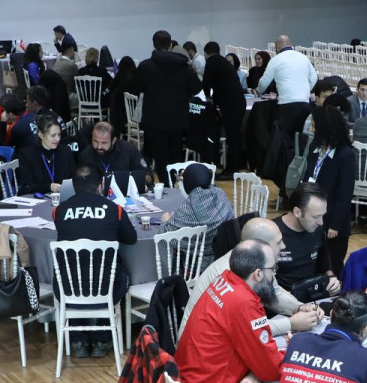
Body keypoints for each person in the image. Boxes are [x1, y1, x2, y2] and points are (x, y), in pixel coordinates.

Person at [174, 240, 286, 383]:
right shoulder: (245, 304)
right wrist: (289, 349)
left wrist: (256, 372)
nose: (274, 275)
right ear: (258, 274)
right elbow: (272, 369)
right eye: (273, 269)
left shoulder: (223, 280)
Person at [180, 217, 323, 338]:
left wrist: (300, 307)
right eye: (278, 242)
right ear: (260, 245)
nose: (283, 246)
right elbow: (249, 327)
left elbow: (275, 294)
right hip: (202, 347)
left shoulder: (252, 260)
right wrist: (291, 323)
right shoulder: (234, 274)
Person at [54, 165, 138, 358]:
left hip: (67, 291)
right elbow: (131, 238)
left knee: (72, 272)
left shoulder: (59, 211)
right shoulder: (115, 210)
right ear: (100, 186)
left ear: (73, 186)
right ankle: (101, 339)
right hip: (107, 291)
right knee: (112, 271)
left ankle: (79, 341)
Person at [132, 30, 201, 183]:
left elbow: (136, 87)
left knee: (160, 157)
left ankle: (164, 184)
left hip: (154, 119)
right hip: (178, 119)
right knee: (175, 156)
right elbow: (196, 87)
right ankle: (173, 183)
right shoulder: (183, 66)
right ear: (170, 45)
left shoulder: (146, 66)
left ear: (154, 45)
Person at [304, 106, 357, 269]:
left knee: (331, 266)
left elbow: (344, 194)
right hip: (312, 217)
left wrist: (335, 224)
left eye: (314, 125)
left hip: (333, 221)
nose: (311, 129)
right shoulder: (315, 148)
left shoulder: (345, 155)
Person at [157, 162, 235, 265]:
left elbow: (166, 235)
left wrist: (165, 221)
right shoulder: (220, 194)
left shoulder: (188, 208)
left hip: (198, 263)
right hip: (225, 257)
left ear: (188, 182)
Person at [272, 183, 342, 296]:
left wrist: (330, 276)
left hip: (312, 293)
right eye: (316, 217)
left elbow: (323, 254)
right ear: (297, 212)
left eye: (322, 215)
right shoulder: (273, 233)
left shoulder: (317, 229)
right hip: (283, 297)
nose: (321, 222)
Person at [257, 34, 318, 141]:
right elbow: (314, 78)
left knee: (286, 141)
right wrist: (304, 91)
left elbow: (263, 84)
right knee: (302, 139)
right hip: (305, 104)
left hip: (286, 106)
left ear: (277, 46)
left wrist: (259, 91)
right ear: (290, 44)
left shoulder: (275, 60)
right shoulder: (303, 57)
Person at [201, 41, 246, 175]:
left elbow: (206, 83)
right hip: (237, 102)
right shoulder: (222, 62)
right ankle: (233, 167)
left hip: (231, 104)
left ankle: (232, 169)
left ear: (206, 54)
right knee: (234, 136)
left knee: (232, 137)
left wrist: (207, 97)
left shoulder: (212, 62)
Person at [16, 115, 76, 196]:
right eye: (53, 135)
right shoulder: (27, 155)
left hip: (63, 198)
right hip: (36, 199)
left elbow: (74, 179)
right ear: (41, 135)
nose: (58, 139)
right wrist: (49, 187)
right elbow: (27, 187)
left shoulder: (65, 151)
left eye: (59, 134)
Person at [76, 121, 145, 180]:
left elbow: (146, 174)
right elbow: (80, 182)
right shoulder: (85, 156)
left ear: (113, 141)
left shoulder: (129, 150)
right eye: (96, 141)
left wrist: (144, 183)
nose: (99, 147)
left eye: (104, 143)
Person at [107, 55, 136, 133]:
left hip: (118, 115)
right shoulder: (135, 78)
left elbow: (109, 88)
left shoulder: (119, 76)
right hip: (133, 114)